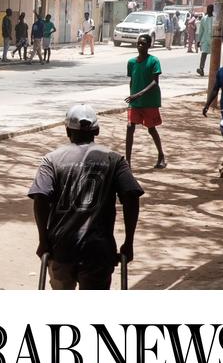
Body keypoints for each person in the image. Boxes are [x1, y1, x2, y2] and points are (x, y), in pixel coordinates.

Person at [29, 104, 142, 289]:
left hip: (61, 247)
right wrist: (128, 242)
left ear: (67, 131)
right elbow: (131, 197)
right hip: (98, 250)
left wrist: (43, 240)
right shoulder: (114, 160)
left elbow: (41, 198)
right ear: (96, 130)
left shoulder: (51, 160)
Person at [125, 34, 167, 169]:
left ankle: (161, 155)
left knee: (151, 129)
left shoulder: (154, 61)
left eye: (143, 44)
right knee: (130, 127)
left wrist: (139, 94)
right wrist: (132, 96)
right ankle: (127, 162)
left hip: (149, 101)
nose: (140, 46)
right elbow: (132, 80)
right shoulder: (131, 62)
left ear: (149, 45)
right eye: (139, 43)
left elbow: (155, 82)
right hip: (135, 102)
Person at [196, 4, 215, 76]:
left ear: (212, 10)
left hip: (213, 40)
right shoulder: (204, 19)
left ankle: (214, 70)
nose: (208, 10)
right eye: (208, 9)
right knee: (204, 54)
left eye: (210, 9)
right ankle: (201, 68)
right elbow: (201, 30)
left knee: (214, 55)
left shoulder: (215, 18)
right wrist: (199, 40)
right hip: (205, 39)